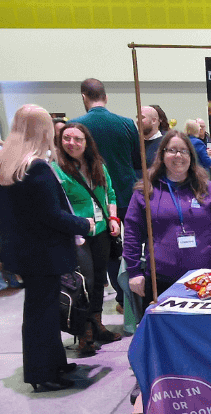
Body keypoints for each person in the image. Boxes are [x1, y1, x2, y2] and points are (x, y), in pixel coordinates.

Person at [0, 104, 96, 392]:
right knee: (42, 315)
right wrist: (83, 224)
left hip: (23, 253)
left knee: (41, 311)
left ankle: (54, 364)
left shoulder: (4, 162)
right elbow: (51, 215)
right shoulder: (35, 166)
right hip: (44, 254)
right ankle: (43, 373)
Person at [123, 130, 211, 304]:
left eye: (184, 151)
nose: (178, 156)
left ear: (191, 156)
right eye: (172, 150)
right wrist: (134, 272)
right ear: (162, 154)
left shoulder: (206, 188)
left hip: (206, 278)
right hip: (162, 278)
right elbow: (132, 232)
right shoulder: (146, 190)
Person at [69, 78, 141, 311]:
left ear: (83, 97)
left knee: (107, 256)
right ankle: (133, 297)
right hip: (128, 196)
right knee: (133, 247)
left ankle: (119, 298)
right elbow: (137, 161)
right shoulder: (127, 124)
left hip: (94, 203)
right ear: (106, 97)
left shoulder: (75, 127)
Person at [52, 122, 123, 355]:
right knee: (84, 282)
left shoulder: (98, 165)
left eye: (77, 139)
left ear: (86, 142)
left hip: (101, 230)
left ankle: (98, 324)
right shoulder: (57, 169)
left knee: (100, 280)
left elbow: (110, 193)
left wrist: (113, 218)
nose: (72, 143)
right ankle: (84, 333)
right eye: (67, 138)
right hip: (77, 234)